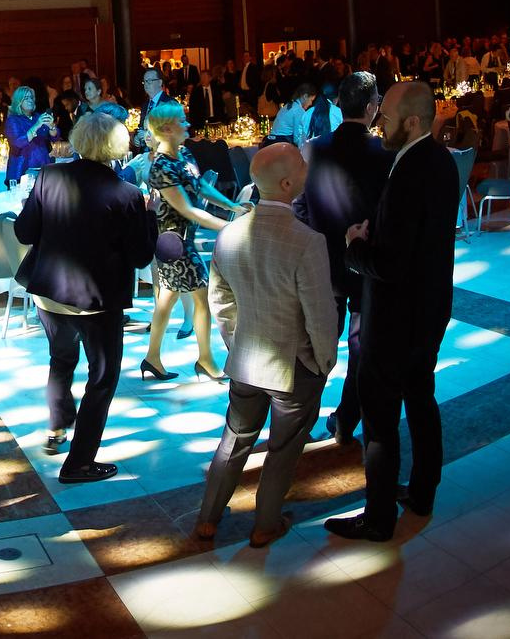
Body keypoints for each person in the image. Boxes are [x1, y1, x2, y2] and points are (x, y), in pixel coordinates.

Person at [327, 82, 458, 542]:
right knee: (421, 397)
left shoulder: (410, 170)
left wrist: (354, 246)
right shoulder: (440, 159)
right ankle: (422, 493)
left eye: (388, 115)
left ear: (414, 121)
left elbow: (389, 264)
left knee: (380, 420)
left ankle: (379, 517)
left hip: (397, 316)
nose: (379, 121)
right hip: (430, 306)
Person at [193, 143, 340, 548]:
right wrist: (324, 361)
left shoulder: (229, 234)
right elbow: (320, 313)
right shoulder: (307, 241)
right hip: (294, 365)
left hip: (246, 359)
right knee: (283, 448)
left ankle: (207, 519)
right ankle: (265, 524)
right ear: (289, 183)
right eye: (303, 170)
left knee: (234, 439)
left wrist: (235, 342)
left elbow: (220, 301)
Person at [14, 110, 158, 484]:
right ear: (118, 148)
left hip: (49, 293)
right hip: (97, 301)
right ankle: (78, 463)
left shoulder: (48, 176)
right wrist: (151, 216)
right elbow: (141, 256)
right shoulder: (126, 194)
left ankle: (59, 424)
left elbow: (24, 232)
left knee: (61, 359)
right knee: (102, 377)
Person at [295, 71, 388, 446]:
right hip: (365, 262)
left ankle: (299, 426)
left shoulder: (313, 148)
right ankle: (347, 421)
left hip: (323, 262)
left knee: (316, 350)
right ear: (370, 108)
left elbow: (300, 207)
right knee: (361, 348)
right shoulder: (383, 153)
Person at [137, 99, 242, 383]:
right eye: (182, 121)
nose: (187, 124)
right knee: (201, 298)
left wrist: (232, 207)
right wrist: (230, 227)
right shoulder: (161, 166)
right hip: (174, 243)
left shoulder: (183, 155)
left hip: (181, 242)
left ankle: (153, 358)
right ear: (167, 129)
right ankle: (205, 359)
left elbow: (202, 187)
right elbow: (187, 209)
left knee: (167, 300)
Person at [5, 86, 57, 183]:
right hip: (22, 171)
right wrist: (37, 125)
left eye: (31, 98)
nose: (30, 100)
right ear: (18, 101)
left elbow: (54, 137)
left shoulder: (38, 116)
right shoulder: (13, 120)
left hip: (43, 168)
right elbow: (18, 143)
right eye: (26, 98)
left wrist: (51, 126)